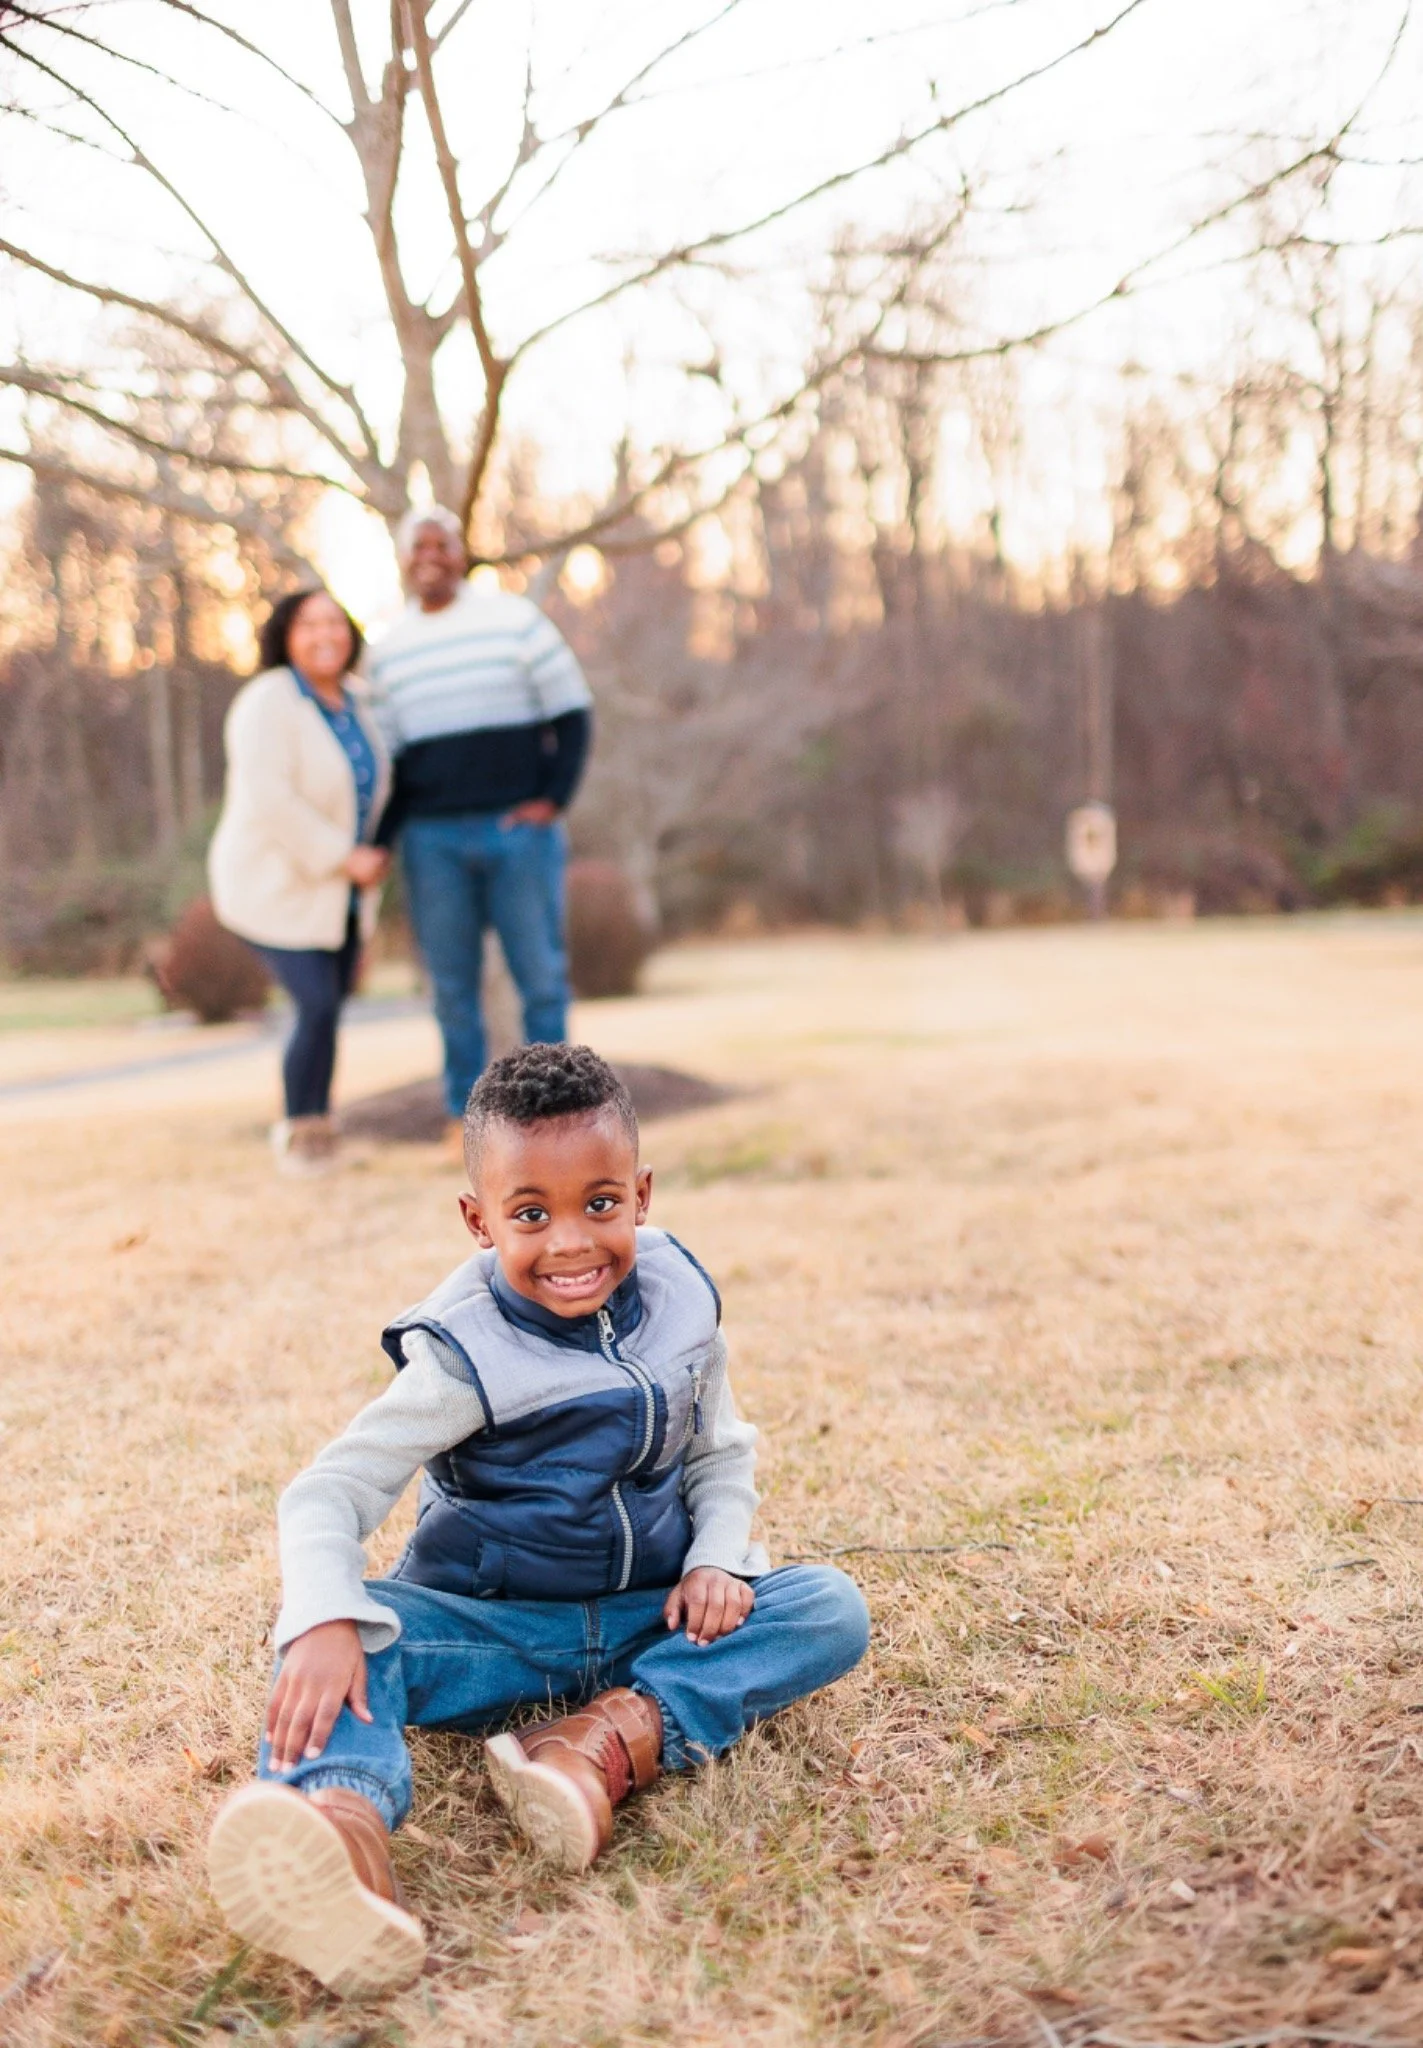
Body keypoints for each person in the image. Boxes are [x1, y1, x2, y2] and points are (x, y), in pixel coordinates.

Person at [205, 1043, 869, 1995]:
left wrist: (718, 1560)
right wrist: (318, 1615)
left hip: (658, 1619)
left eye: (599, 1204)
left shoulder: (683, 1300)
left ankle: (606, 1740)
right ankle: (338, 1835)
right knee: (348, 1638)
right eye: (530, 1214)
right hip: (501, 1633)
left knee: (828, 1607)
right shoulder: (462, 1354)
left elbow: (719, 1450)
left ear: (640, 1195)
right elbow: (328, 1492)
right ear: (479, 1221)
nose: (569, 1243)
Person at [367, 508, 593, 1129]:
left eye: (441, 544)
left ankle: (560, 1114)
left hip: (518, 831)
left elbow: (572, 713)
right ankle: (468, 1125)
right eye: (418, 547)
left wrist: (553, 799)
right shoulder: (387, 650)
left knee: (540, 979)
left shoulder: (514, 621)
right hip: (432, 840)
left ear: (461, 551)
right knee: (450, 990)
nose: (429, 556)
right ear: (404, 559)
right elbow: (393, 763)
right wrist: (382, 844)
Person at [209, 589, 390, 1175]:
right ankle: (295, 1133)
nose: (325, 635)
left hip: (341, 894)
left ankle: (321, 1132)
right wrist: (343, 856)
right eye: (309, 625)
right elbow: (271, 799)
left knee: (329, 1008)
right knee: (314, 1003)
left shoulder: (360, 703)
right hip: (276, 884)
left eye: (335, 623)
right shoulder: (266, 701)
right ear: (286, 635)